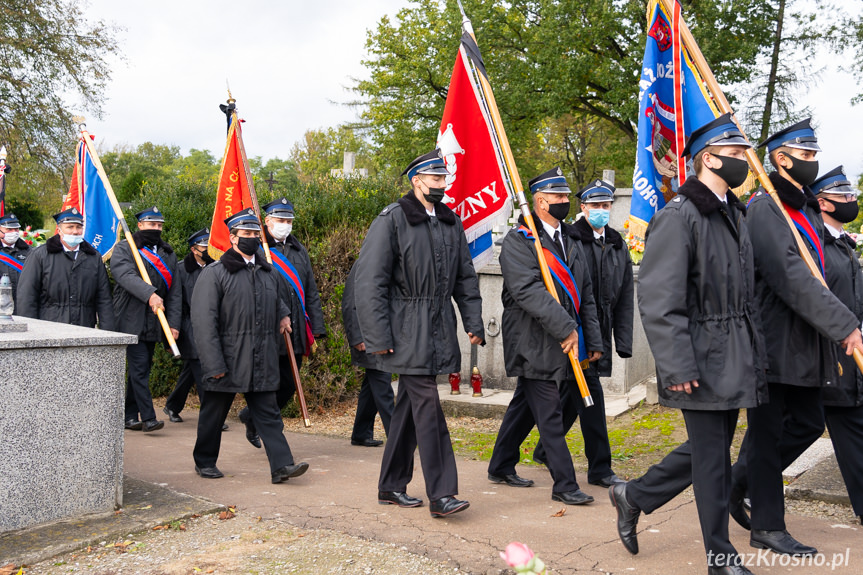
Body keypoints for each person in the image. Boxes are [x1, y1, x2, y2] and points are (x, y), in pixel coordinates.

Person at [609, 114, 767, 575]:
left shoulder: (732, 212)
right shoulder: (679, 216)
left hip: (734, 352)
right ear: (708, 158)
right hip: (700, 355)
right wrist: (678, 368)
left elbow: (744, 293)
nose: (744, 163)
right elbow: (659, 302)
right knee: (713, 459)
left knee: (709, 451)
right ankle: (720, 557)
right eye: (736, 155)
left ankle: (632, 495)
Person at [729, 119, 863, 555]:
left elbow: (819, 276)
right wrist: (844, 325)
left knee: (807, 421)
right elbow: (790, 278)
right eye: (806, 156)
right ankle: (767, 525)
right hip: (770, 341)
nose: (813, 162)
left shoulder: (802, 210)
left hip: (802, 342)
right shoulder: (766, 208)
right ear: (781, 158)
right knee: (766, 434)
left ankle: (737, 483)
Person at [354, 149, 484, 518]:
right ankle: (442, 494)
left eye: (444, 179)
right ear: (417, 181)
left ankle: (391, 485)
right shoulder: (393, 219)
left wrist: (473, 320)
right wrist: (378, 338)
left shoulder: (450, 221)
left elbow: (465, 277)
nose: (442, 185)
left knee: (411, 408)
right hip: (405, 329)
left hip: (439, 323)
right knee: (428, 408)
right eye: (436, 179)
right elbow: (370, 283)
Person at [486, 167, 603, 506]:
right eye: (559, 197)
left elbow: (586, 292)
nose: (565, 202)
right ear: (539, 202)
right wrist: (566, 328)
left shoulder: (570, 239)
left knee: (525, 405)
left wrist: (590, 337)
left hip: (563, 335)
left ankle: (500, 463)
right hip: (531, 338)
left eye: (566, 196)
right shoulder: (519, 241)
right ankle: (564, 483)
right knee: (549, 410)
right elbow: (528, 291)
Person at [191, 208, 308, 482]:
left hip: (261, 358)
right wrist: (213, 364)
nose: (253, 238)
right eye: (247, 233)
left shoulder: (268, 272)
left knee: (269, 416)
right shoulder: (215, 273)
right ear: (232, 238)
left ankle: (282, 466)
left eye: (256, 233)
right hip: (227, 359)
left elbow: (277, 299)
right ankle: (204, 461)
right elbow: (204, 322)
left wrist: (283, 315)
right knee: (213, 415)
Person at [532, 178, 632, 488]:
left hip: (596, 330)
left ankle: (535, 451)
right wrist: (574, 332)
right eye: (596, 206)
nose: (603, 210)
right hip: (574, 330)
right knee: (589, 398)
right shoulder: (571, 238)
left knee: (573, 396)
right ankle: (600, 468)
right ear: (583, 208)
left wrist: (622, 342)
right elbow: (574, 293)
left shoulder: (617, 243)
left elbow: (625, 297)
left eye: (607, 205)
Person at [237, 197, 326, 449]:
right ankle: (271, 432)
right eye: (280, 220)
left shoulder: (299, 251)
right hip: (267, 329)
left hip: (295, 329)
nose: (285, 225)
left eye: (288, 221)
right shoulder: (258, 249)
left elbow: (310, 290)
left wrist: (316, 326)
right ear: (267, 221)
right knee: (268, 382)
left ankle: (252, 417)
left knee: (289, 383)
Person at [810, 167, 863, 526]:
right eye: (843, 196)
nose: (851, 201)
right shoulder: (815, 244)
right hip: (831, 354)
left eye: (851, 195)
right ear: (822, 202)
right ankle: (741, 484)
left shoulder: (844, 243)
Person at [111, 206, 182, 433]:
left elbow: (176, 292)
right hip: (130, 318)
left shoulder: (168, 253)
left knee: (140, 369)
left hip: (155, 322)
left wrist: (174, 324)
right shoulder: (125, 248)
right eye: (151, 225)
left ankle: (129, 415)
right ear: (140, 225)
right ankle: (149, 417)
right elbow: (125, 276)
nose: (156, 229)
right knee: (140, 368)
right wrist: (149, 293)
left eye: (159, 225)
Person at [163, 228, 226, 430]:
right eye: (203, 247)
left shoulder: (215, 267)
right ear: (193, 249)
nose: (207, 250)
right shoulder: (182, 270)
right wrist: (175, 328)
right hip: (189, 325)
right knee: (203, 370)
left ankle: (172, 406)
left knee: (191, 370)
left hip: (211, 323)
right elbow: (176, 301)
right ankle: (213, 417)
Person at [16, 207, 115, 330]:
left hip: (85, 329)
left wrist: (108, 334)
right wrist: (29, 332)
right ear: (59, 230)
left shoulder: (93, 257)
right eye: (70, 227)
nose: (75, 231)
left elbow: (104, 299)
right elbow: (27, 296)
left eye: (78, 227)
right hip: (49, 329)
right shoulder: (40, 256)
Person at [343, 262, 393, 447]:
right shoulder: (366, 261)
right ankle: (398, 438)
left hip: (380, 335)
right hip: (368, 336)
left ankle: (361, 433)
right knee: (382, 383)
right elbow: (350, 300)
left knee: (373, 386)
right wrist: (356, 336)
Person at [0, 213, 31, 309]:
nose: (13, 232)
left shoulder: (30, 252)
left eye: (16, 229)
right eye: (9, 229)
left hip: (23, 306)